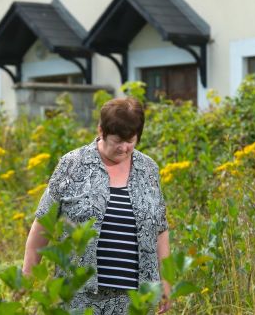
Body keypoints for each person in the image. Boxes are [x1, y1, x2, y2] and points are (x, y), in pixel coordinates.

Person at [22, 97, 171, 314]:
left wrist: (166, 282)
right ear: (101, 130)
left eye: (131, 140)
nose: (124, 148)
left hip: (138, 300)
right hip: (80, 298)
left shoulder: (148, 169)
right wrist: (26, 279)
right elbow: (42, 225)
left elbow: (160, 230)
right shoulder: (71, 165)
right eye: (117, 140)